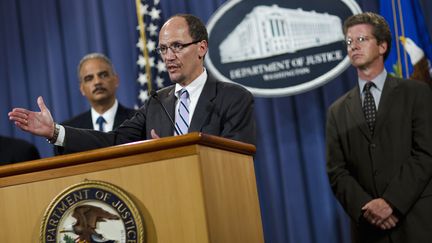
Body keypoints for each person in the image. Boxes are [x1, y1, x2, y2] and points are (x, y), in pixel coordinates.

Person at [8, 14, 255, 155]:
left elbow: (237, 158)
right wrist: (55, 132)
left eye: (177, 47)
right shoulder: (158, 102)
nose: (168, 57)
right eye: (163, 49)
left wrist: (177, 153)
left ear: (201, 47)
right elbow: (113, 140)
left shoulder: (233, 97)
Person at [326, 12, 432, 243]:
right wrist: (368, 208)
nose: (353, 46)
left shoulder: (417, 93)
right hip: (370, 231)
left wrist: (391, 202)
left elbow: (426, 153)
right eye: (349, 42)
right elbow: (337, 172)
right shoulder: (337, 111)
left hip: (418, 223)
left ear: (382, 46)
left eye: (361, 39)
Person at [55, 53, 136, 154]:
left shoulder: (137, 120)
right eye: (89, 78)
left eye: (103, 75)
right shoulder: (67, 131)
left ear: (116, 80)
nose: (97, 82)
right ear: (82, 88)